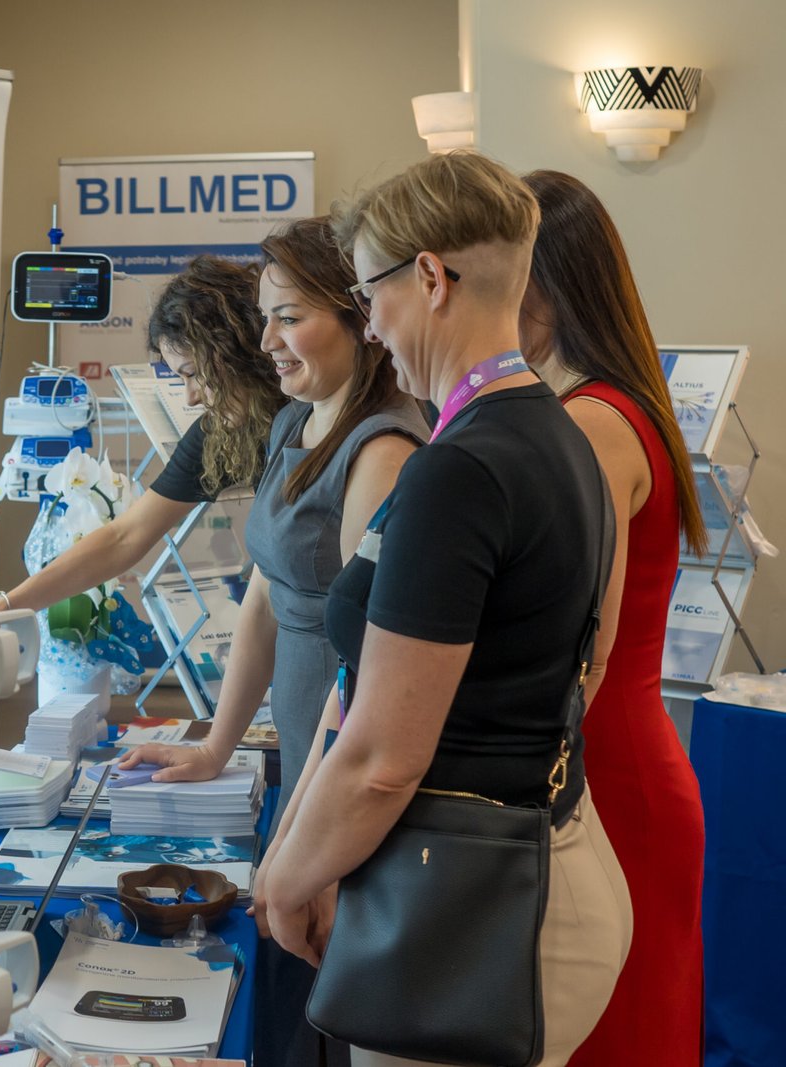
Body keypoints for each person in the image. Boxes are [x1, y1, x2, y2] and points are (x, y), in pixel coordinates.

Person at [257, 151, 633, 1067]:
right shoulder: (551, 430)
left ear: (429, 277)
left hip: (481, 904)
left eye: (369, 294)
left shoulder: (460, 471)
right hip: (525, 868)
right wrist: (303, 838)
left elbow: (383, 759)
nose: (370, 325)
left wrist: (286, 879)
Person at [122, 216, 428, 1067]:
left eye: (288, 318)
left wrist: (312, 841)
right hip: (302, 768)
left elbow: (374, 676)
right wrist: (216, 746)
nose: (266, 342)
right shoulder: (294, 423)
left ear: (358, 316)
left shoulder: (383, 451)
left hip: (346, 784)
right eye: (264, 319)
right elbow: (266, 594)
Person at [519, 169, 705, 1066]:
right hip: (615, 755)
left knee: (616, 1035)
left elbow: (575, 646)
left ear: (548, 291)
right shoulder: (604, 407)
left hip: (607, 771)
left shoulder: (592, 420)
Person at [0, 255, 284, 616]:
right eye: (181, 378)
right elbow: (124, 537)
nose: (191, 397)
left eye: (193, 373)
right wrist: (5, 607)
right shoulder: (223, 433)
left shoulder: (310, 421)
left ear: (235, 349)